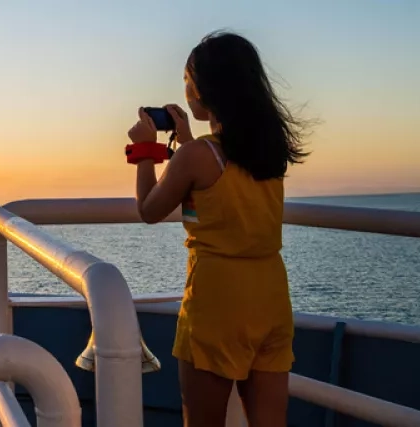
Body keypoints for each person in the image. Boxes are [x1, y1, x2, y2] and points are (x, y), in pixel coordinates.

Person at [124, 31, 310, 427]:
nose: (186, 91)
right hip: (271, 298)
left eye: (188, 82)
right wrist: (188, 141)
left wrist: (146, 150)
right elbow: (219, 179)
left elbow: (149, 209)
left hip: (217, 305)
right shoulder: (269, 149)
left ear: (206, 91)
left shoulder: (197, 156)